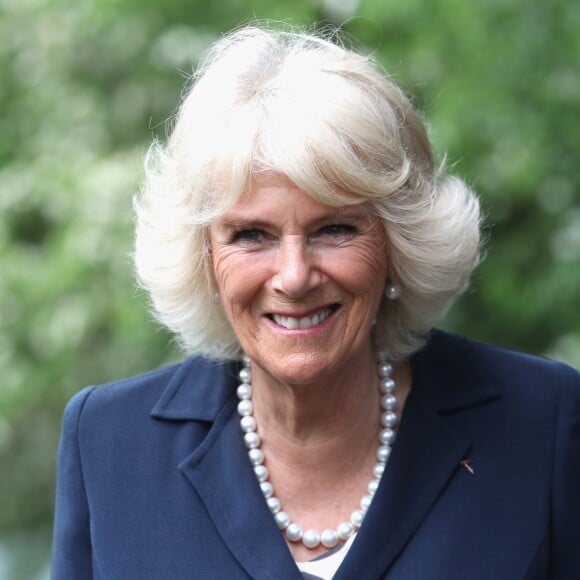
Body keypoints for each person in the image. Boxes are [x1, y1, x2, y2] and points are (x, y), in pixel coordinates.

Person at [51, 24, 580, 580]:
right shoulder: (108, 442)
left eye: (334, 229)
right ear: (204, 257)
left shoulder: (541, 419)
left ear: (399, 242)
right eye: (252, 235)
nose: (295, 276)